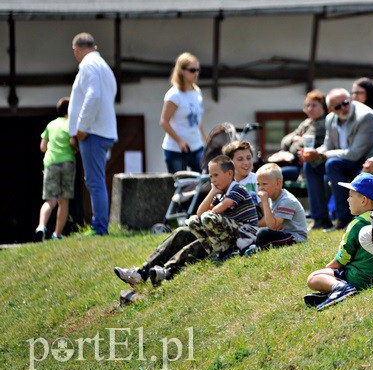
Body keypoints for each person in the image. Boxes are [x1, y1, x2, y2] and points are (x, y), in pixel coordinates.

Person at [114, 155, 259, 285]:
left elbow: (213, 213)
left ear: (229, 174)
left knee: (199, 238)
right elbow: (200, 213)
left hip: (238, 239)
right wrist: (212, 192)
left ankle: (167, 271)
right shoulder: (219, 194)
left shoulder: (237, 189)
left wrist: (210, 205)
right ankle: (142, 272)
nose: (212, 180)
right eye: (210, 176)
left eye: (216, 175)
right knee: (182, 232)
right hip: (219, 234)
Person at [306, 173, 373, 310]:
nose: (347, 200)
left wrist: (327, 268)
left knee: (313, 278)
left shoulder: (357, 224)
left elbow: (342, 259)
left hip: (359, 278)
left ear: (364, 200)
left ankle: (341, 288)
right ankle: (332, 292)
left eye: (351, 196)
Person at [303, 89, 373, 229]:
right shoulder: (330, 119)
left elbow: (355, 154)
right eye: (338, 106)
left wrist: (322, 155)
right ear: (330, 109)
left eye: (345, 103)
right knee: (310, 165)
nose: (344, 108)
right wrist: (313, 153)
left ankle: (343, 219)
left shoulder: (366, 116)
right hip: (343, 160)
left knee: (332, 164)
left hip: (366, 161)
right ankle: (320, 219)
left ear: (351, 100)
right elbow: (327, 146)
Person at [68, 32, 117, 236]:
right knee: (96, 180)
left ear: (76, 49)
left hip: (92, 132)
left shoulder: (88, 65)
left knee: (95, 181)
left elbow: (93, 96)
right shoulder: (102, 66)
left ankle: (99, 227)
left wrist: (81, 127)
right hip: (101, 130)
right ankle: (99, 225)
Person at [242, 164, 308, 253]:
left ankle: (256, 248)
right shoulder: (271, 198)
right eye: (258, 184)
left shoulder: (286, 200)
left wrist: (264, 202)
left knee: (263, 233)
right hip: (280, 234)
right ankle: (242, 249)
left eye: (264, 184)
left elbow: (273, 226)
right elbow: (268, 222)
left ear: (278, 184)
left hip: (294, 238)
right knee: (247, 230)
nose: (260, 188)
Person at [35, 97, 76, 241]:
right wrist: (75, 149)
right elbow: (72, 141)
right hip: (67, 162)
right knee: (63, 201)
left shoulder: (51, 125)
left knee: (50, 201)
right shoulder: (71, 124)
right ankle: (57, 234)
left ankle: (41, 227)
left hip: (51, 163)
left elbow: (42, 147)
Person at [160, 52, 206, 173]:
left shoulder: (197, 91)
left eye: (198, 70)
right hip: (176, 149)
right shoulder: (174, 95)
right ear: (182, 71)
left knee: (204, 182)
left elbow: (197, 120)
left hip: (196, 146)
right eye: (192, 70)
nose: (196, 73)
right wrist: (179, 141)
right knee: (180, 186)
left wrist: (205, 139)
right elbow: (164, 122)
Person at [268, 90, 327, 182]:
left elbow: (300, 147)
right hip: (299, 166)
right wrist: (295, 138)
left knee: (276, 175)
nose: (310, 108)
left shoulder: (323, 124)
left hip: (312, 168)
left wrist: (297, 140)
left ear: (323, 107)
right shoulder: (307, 122)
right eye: (307, 105)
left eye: (314, 105)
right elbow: (285, 141)